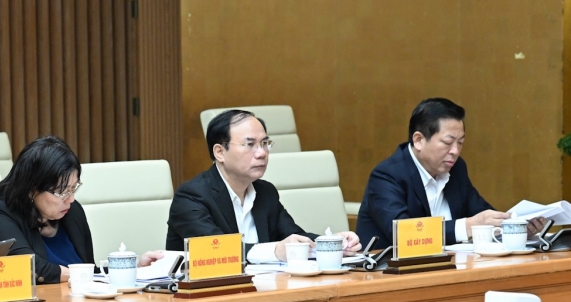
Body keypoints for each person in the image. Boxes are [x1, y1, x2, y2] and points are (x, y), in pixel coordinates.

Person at [167, 109, 360, 259]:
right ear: (220, 152)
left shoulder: (265, 192)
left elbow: (293, 236)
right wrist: (275, 251)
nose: (261, 153)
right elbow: (216, 251)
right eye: (250, 144)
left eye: (265, 144)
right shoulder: (192, 196)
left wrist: (332, 243)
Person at [356, 98, 543, 249]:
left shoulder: (456, 168)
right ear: (419, 140)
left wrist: (515, 229)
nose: (455, 151)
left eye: (460, 143)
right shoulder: (386, 176)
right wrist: (468, 226)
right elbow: (404, 234)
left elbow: (482, 215)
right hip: (388, 275)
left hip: (449, 269)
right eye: (447, 142)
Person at [0, 136, 162, 285]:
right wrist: (82, 275)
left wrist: (133, 269)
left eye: (73, 189)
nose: (71, 199)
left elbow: (92, 271)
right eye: (62, 192)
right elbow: (27, 268)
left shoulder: (72, 212)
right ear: (32, 190)